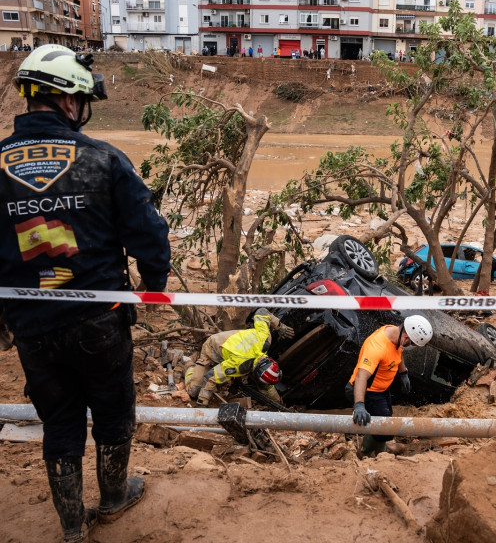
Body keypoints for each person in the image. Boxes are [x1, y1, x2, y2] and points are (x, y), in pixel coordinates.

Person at [0, 45, 171, 541]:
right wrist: (152, 287)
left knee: (60, 421)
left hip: (31, 324)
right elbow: (150, 235)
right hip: (100, 319)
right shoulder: (104, 159)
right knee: (114, 411)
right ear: (69, 101)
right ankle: (114, 498)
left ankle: (72, 527)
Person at [347, 315, 432, 457]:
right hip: (367, 391)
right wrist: (359, 405)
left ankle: (381, 449)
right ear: (405, 338)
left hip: (382, 389)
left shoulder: (395, 334)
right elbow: (362, 376)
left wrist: (403, 373)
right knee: (384, 428)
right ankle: (365, 452)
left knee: (387, 419)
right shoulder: (376, 347)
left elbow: (398, 353)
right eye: (412, 344)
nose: (412, 347)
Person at [184, 307, 294, 406]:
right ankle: (189, 365)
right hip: (212, 349)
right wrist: (202, 403)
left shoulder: (265, 338)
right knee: (194, 391)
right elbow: (211, 378)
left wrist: (279, 326)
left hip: (232, 348)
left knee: (263, 385)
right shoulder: (238, 364)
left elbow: (261, 312)